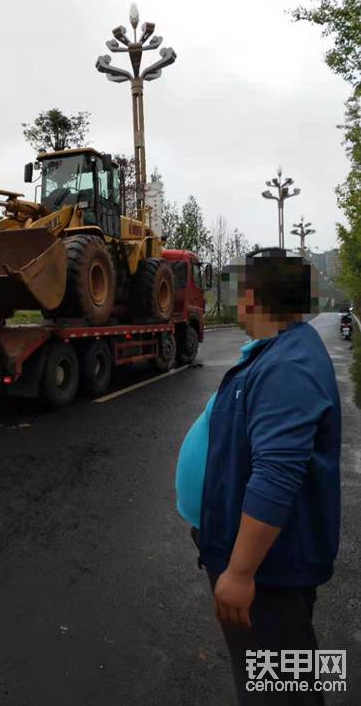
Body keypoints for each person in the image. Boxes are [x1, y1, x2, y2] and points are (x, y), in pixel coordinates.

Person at [175, 248, 341, 704]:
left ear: (252, 297)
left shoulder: (288, 366)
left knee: (278, 685)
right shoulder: (282, 350)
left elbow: (277, 473)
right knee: (274, 674)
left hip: (270, 570)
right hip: (258, 558)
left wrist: (241, 571)